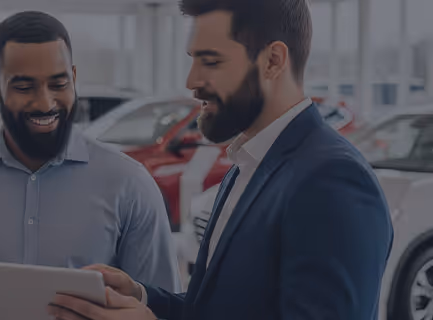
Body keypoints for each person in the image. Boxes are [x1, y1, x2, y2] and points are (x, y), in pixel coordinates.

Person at [47, 0, 394, 319]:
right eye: (193, 59)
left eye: (211, 61)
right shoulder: (247, 165)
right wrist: (141, 297)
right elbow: (212, 309)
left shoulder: (333, 180)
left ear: (273, 61)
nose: (191, 81)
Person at [0, 10, 180, 320]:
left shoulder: (130, 183)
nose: (45, 103)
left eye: (58, 84)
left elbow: (162, 309)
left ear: (74, 77)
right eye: (24, 87)